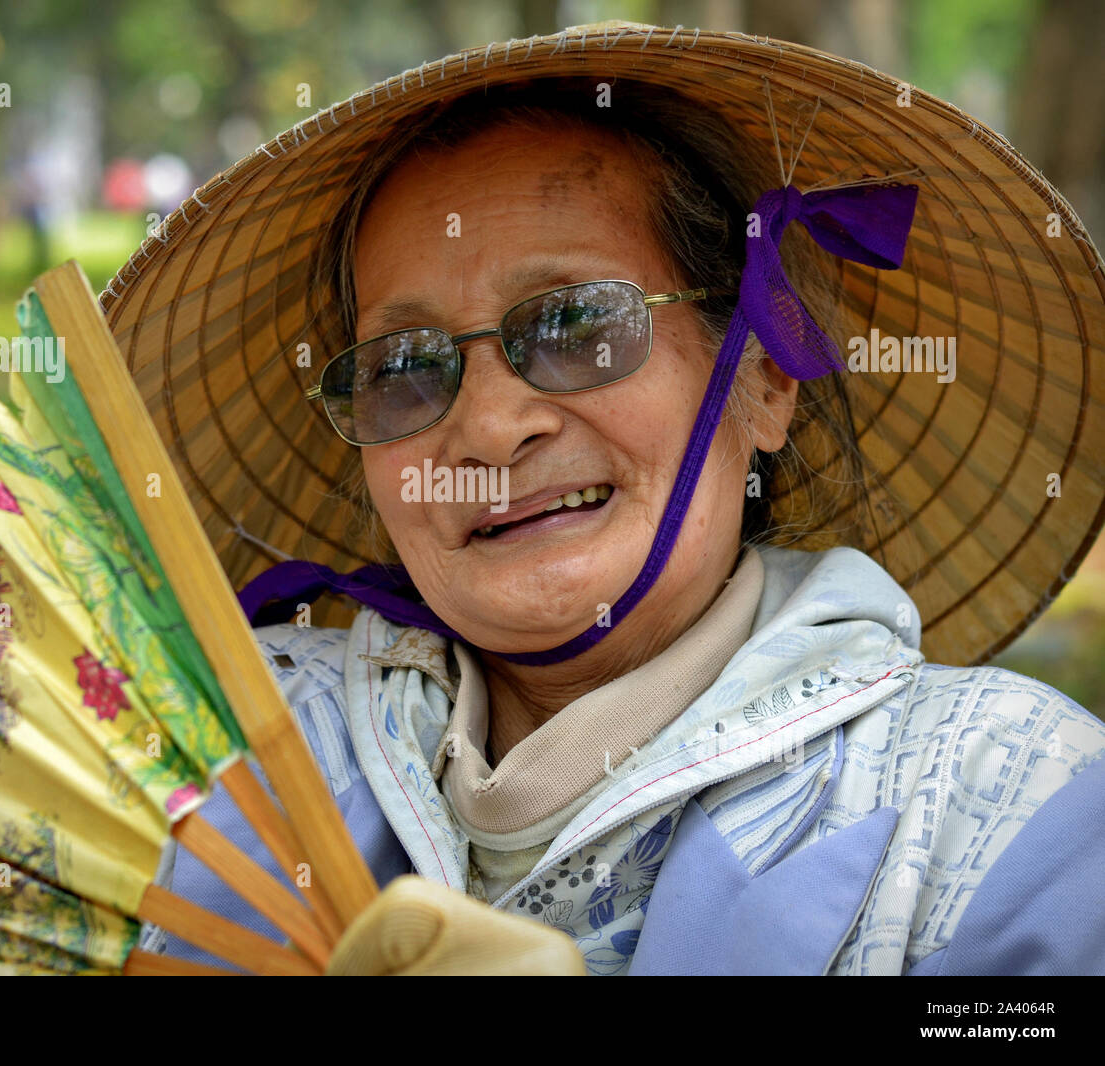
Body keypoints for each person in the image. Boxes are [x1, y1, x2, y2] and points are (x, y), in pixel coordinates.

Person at [103, 23, 1105, 975]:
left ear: (762, 379)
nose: (492, 428)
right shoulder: (212, 764)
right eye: (406, 364)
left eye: (580, 322)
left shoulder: (1015, 809)